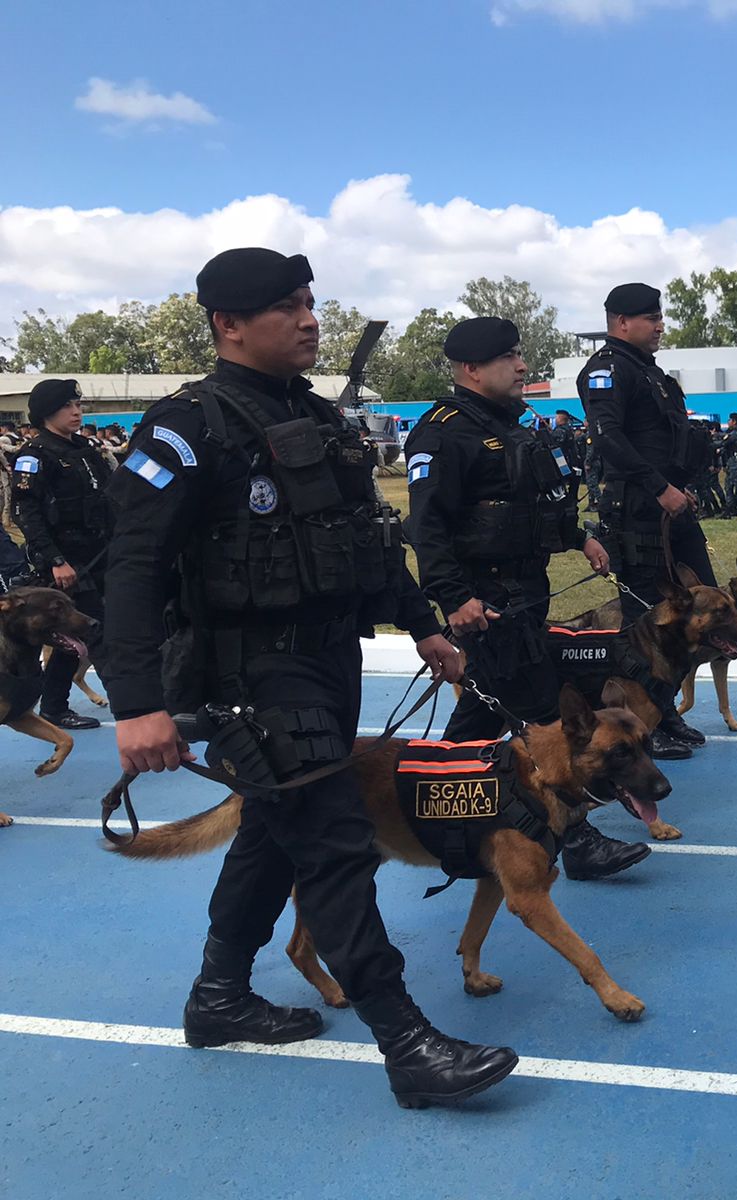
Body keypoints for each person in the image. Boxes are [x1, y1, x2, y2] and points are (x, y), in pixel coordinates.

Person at [98, 247, 518, 1108]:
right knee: (334, 844)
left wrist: (423, 624)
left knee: (267, 838)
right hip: (250, 675)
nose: (309, 318)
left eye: (309, 302)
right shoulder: (185, 427)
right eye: (287, 306)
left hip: (329, 660)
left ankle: (218, 999)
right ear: (228, 324)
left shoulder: (318, 418)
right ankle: (407, 1044)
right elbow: (132, 572)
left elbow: (365, 535)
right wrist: (137, 704)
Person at [402, 315, 648, 880]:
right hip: (484, 601)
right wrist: (453, 596)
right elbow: (428, 526)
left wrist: (579, 537)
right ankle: (574, 839)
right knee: (536, 715)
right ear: (471, 369)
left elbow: (535, 502)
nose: (521, 366)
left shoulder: (515, 424)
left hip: (525, 594)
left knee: (486, 715)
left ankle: (437, 812)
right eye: (508, 358)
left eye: (519, 355)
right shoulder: (444, 432)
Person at [576, 282, 713, 752]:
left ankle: (665, 709)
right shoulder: (606, 371)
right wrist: (659, 487)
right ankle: (640, 726)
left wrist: (678, 486)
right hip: (637, 507)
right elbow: (608, 437)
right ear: (621, 323)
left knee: (695, 608)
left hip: (671, 505)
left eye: (659, 317)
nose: (659, 326)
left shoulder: (649, 372)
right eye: (650, 319)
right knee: (646, 623)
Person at [10, 378, 114, 729]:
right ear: (45, 414)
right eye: (66, 406)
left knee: (88, 632)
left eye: (77, 405)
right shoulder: (34, 456)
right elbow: (27, 513)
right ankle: (57, 707)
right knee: (88, 631)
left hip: (100, 553)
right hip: (65, 563)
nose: (76, 411)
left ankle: (56, 704)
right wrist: (56, 560)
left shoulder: (83, 448)